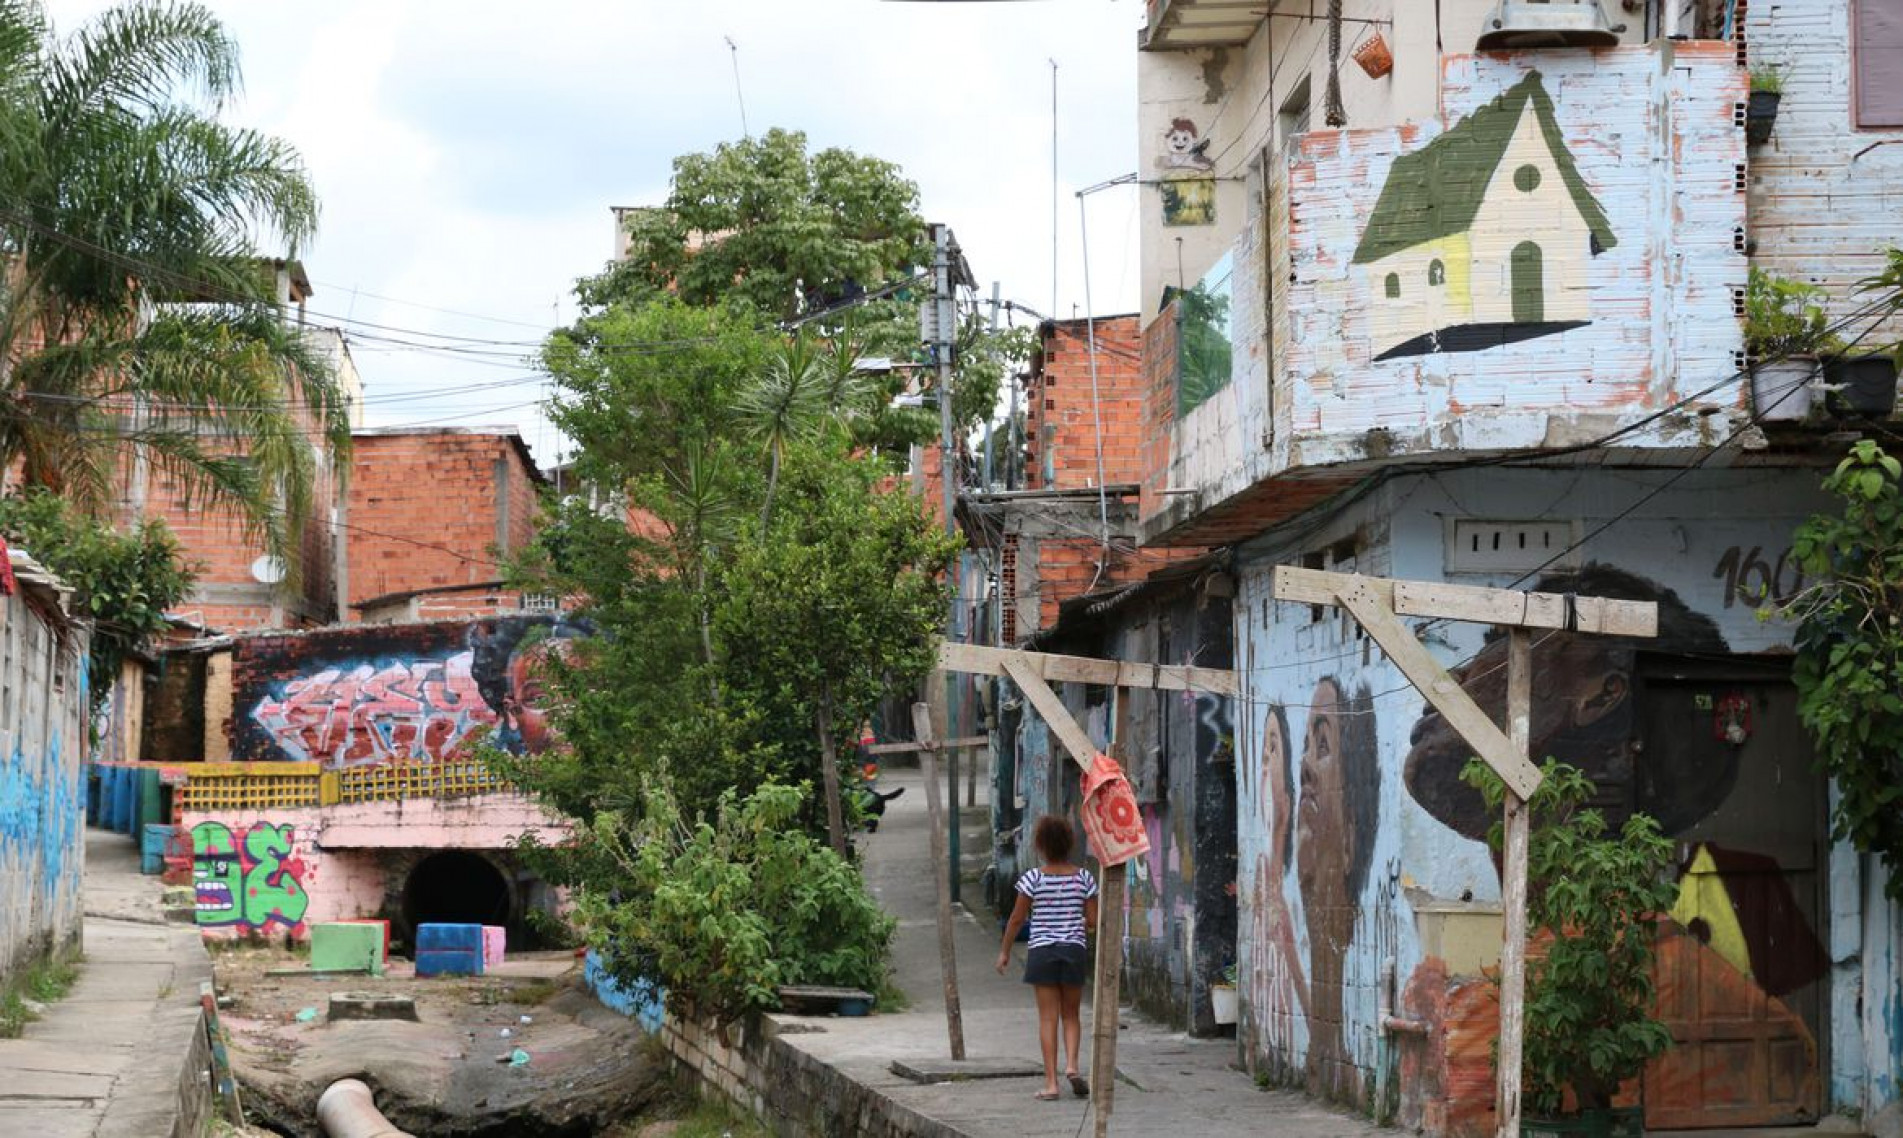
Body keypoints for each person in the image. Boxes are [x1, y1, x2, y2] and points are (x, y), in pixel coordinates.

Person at [996, 814, 1098, 1102]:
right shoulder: (1084, 878)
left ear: (1040, 846)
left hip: (1042, 951)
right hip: (1073, 950)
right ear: (1070, 843)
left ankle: (1052, 1084)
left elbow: (1016, 919)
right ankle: (1073, 1066)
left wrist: (1004, 951)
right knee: (1071, 1015)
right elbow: (1092, 921)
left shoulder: (1032, 879)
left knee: (1047, 1018)